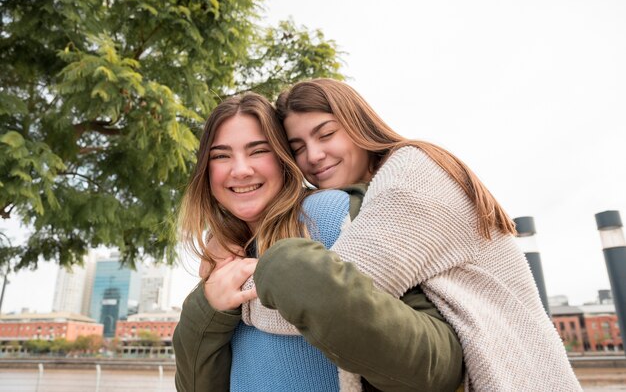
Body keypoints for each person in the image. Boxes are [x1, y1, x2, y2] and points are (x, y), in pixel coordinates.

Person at [241, 78, 582, 391]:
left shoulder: (411, 173)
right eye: (298, 147)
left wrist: (237, 297)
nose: (313, 156)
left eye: (326, 134)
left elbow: (337, 295)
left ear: (358, 123)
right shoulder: (368, 195)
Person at [173, 93, 463, 392]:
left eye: (258, 151)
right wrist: (207, 308)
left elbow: (438, 367)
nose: (241, 169)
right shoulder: (221, 263)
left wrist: (289, 271)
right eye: (221, 155)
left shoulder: (336, 215)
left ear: (284, 158)